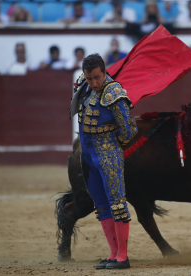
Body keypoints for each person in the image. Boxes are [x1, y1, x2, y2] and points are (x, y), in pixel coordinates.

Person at [69, 53, 138, 269]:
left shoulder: (114, 92)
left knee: (117, 203)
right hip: (88, 154)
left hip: (107, 154)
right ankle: (113, 253)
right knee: (100, 204)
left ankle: (123, 257)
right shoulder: (82, 85)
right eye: (90, 78)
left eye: (97, 77)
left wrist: (111, 143)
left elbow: (130, 129)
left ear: (104, 71)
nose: (94, 82)